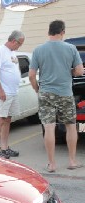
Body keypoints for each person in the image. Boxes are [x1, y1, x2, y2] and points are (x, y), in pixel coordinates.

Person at [29, 20, 84, 172]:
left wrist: (37, 89)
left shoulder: (38, 50)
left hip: (46, 93)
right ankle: (72, 161)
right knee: (71, 127)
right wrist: (70, 72)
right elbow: (80, 71)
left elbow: (32, 75)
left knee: (49, 128)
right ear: (62, 32)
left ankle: (52, 164)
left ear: (49, 32)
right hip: (65, 93)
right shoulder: (71, 48)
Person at [0, 30, 25, 159]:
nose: (19, 46)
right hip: (3, 92)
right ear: (14, 41)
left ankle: (4, 147)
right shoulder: (0, 51)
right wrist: (0, 90)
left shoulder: (12, 53)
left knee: (7, 119)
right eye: (19, 44)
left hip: (12, 92)